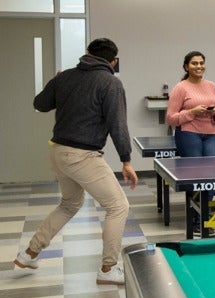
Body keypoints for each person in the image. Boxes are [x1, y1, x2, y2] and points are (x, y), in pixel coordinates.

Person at [17, 38, 138, 285]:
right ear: (113, 61)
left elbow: (40, 104)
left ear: (87, 54)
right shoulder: (111, 82)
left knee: (70, 204)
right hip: (82, 155)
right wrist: (126, 160)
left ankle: (30, 253)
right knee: (118, 206)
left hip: (58, 151)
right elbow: (118, 124)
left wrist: (56, 81)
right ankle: (108, 269)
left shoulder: (66, 77)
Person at [166, 51, 215, 237]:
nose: (199, 66)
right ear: (186, 67)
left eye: (201, 63)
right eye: (194, 63)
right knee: (196, 178)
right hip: (189, 134)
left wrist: (214, 113)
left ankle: (205, 217)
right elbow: (171, 118)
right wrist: (192, 112)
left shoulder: (212, 86)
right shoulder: (180, 88)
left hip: (212, 134)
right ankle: (197, 219)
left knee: (212, 178)